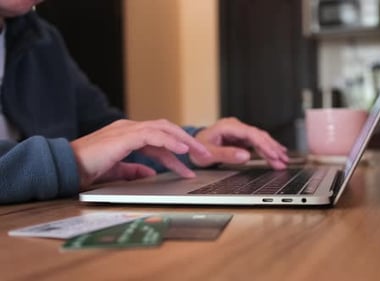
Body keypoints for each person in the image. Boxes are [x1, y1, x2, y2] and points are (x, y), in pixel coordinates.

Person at [0, 0, 289, 204]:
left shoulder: (43, 40)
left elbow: (105, 136)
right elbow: (82, 154)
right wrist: (72, 160)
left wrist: (192, 143)